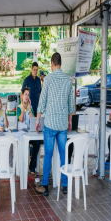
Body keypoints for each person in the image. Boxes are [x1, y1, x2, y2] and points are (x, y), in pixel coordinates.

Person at [35, 52, 74, 196]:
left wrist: (37, 120)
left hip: (50, 124)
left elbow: (42, 101)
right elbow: (71, 104)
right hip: (63, 125)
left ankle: (44, 186)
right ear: (60, 63)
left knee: (48, 154)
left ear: (52, 63)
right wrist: (69, 120)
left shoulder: (48, 79)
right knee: (64, 154)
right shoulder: (68, 79)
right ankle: (65, 185)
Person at [17, 87, 40, 174]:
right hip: (22, 134)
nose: (27, 96)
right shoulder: (19, 108)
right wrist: (23, 109)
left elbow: (33, 120)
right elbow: (21, 119)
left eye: (28, 95)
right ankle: (22, 166)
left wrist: (30, 109)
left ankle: (32, 167)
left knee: (37, 143)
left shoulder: (31, 108)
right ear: (22, 96)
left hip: (30, 134)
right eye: (25, 94)